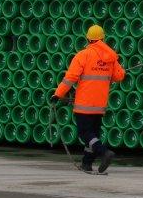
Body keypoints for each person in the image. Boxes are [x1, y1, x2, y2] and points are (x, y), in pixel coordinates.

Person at [52, 24, 125, 174]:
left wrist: (58, 94)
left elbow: (70, 78)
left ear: (88, 39)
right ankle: (87, 163)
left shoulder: (83, 55)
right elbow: (119, 76)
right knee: (93, 135)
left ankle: (104, 152)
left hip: (84, 104)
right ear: (103, 39)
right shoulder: (110, 57)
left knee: (85, 133)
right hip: (99, 105)